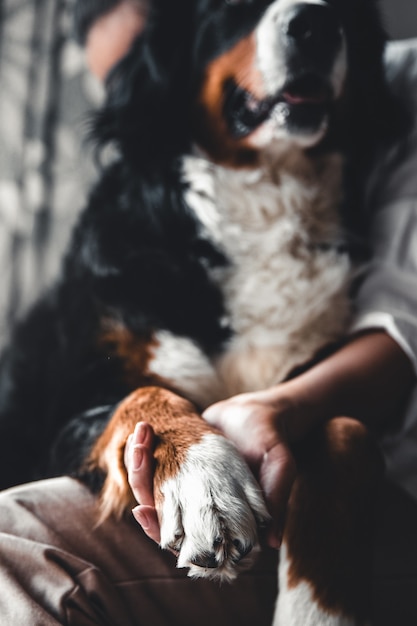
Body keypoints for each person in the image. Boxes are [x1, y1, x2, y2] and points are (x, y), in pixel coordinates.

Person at [0, 1, 417, 624]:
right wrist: (170, 440)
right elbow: (73, 424)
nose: (305, 16)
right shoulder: (127, 248)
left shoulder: (391, 115)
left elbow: (402, 333)